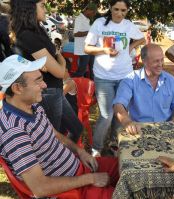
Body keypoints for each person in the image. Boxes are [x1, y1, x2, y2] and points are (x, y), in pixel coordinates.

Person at [0, 55, 119, 199]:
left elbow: (54, 133)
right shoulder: (13, 132)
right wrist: (91, 179)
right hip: (71, 192)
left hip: (79, 170)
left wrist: (79, 151)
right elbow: (40, 187)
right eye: (38, 81)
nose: (44, 85)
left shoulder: (33, 106)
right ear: (17, 88)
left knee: (126, 168)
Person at [10, 0, 83, 142]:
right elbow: (59, 72)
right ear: (29, 8)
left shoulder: (38, 30)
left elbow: (56, 57)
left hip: (55, 89)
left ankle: (69, 156)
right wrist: (58, 58)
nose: (46, 10)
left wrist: (56, 58)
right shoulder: (27, 36)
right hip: (46, 92)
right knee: (52, 138)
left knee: (77, 128)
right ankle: (59, 161)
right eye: (42, 6)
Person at [84, 0, 145, 157]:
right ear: (110, 8)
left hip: (124, 75)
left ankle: (113, 143)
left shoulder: (128, 25)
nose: (119, 13)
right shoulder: (99, 23)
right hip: (104, 76)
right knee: (106, 115)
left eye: (123, 10)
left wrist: (130, 47)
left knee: (121, 113)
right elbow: (87, 48)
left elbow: (142, 39)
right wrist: (103, 49)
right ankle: (96, 149)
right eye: (116, 9)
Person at [113, 44, 174, 135]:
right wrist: (127, 122)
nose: (160, 64)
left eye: (162, 60)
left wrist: (173, 123)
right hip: (138, 129)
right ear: (144, 61)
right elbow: (118, 104)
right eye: (156, 61)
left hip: (166, 129)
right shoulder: (130, 80)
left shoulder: (172, 81)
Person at [73, 3, 97, 77]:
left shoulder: (87, 19)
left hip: (90, 48)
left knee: (93, 68)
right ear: (88, 10)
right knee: (82, 70)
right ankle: (75, 84)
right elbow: (75, 33)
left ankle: (92, 84)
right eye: (93, 13)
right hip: (83, 50)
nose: (93, 15)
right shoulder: (79, 19)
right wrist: (90, 32)